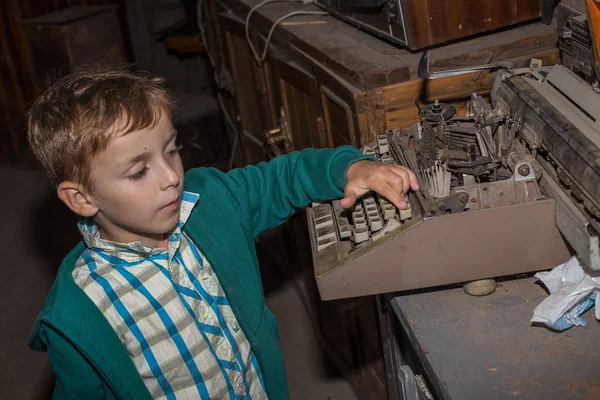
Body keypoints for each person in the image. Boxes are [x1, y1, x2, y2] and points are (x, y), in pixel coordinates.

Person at [27, 68, 419, 400]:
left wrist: (348, 169)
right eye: (138, 171)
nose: (171, 178)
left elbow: (280, 178)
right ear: (80, 198)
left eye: (171, 151)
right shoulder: (77, 317)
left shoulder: (210, 200)